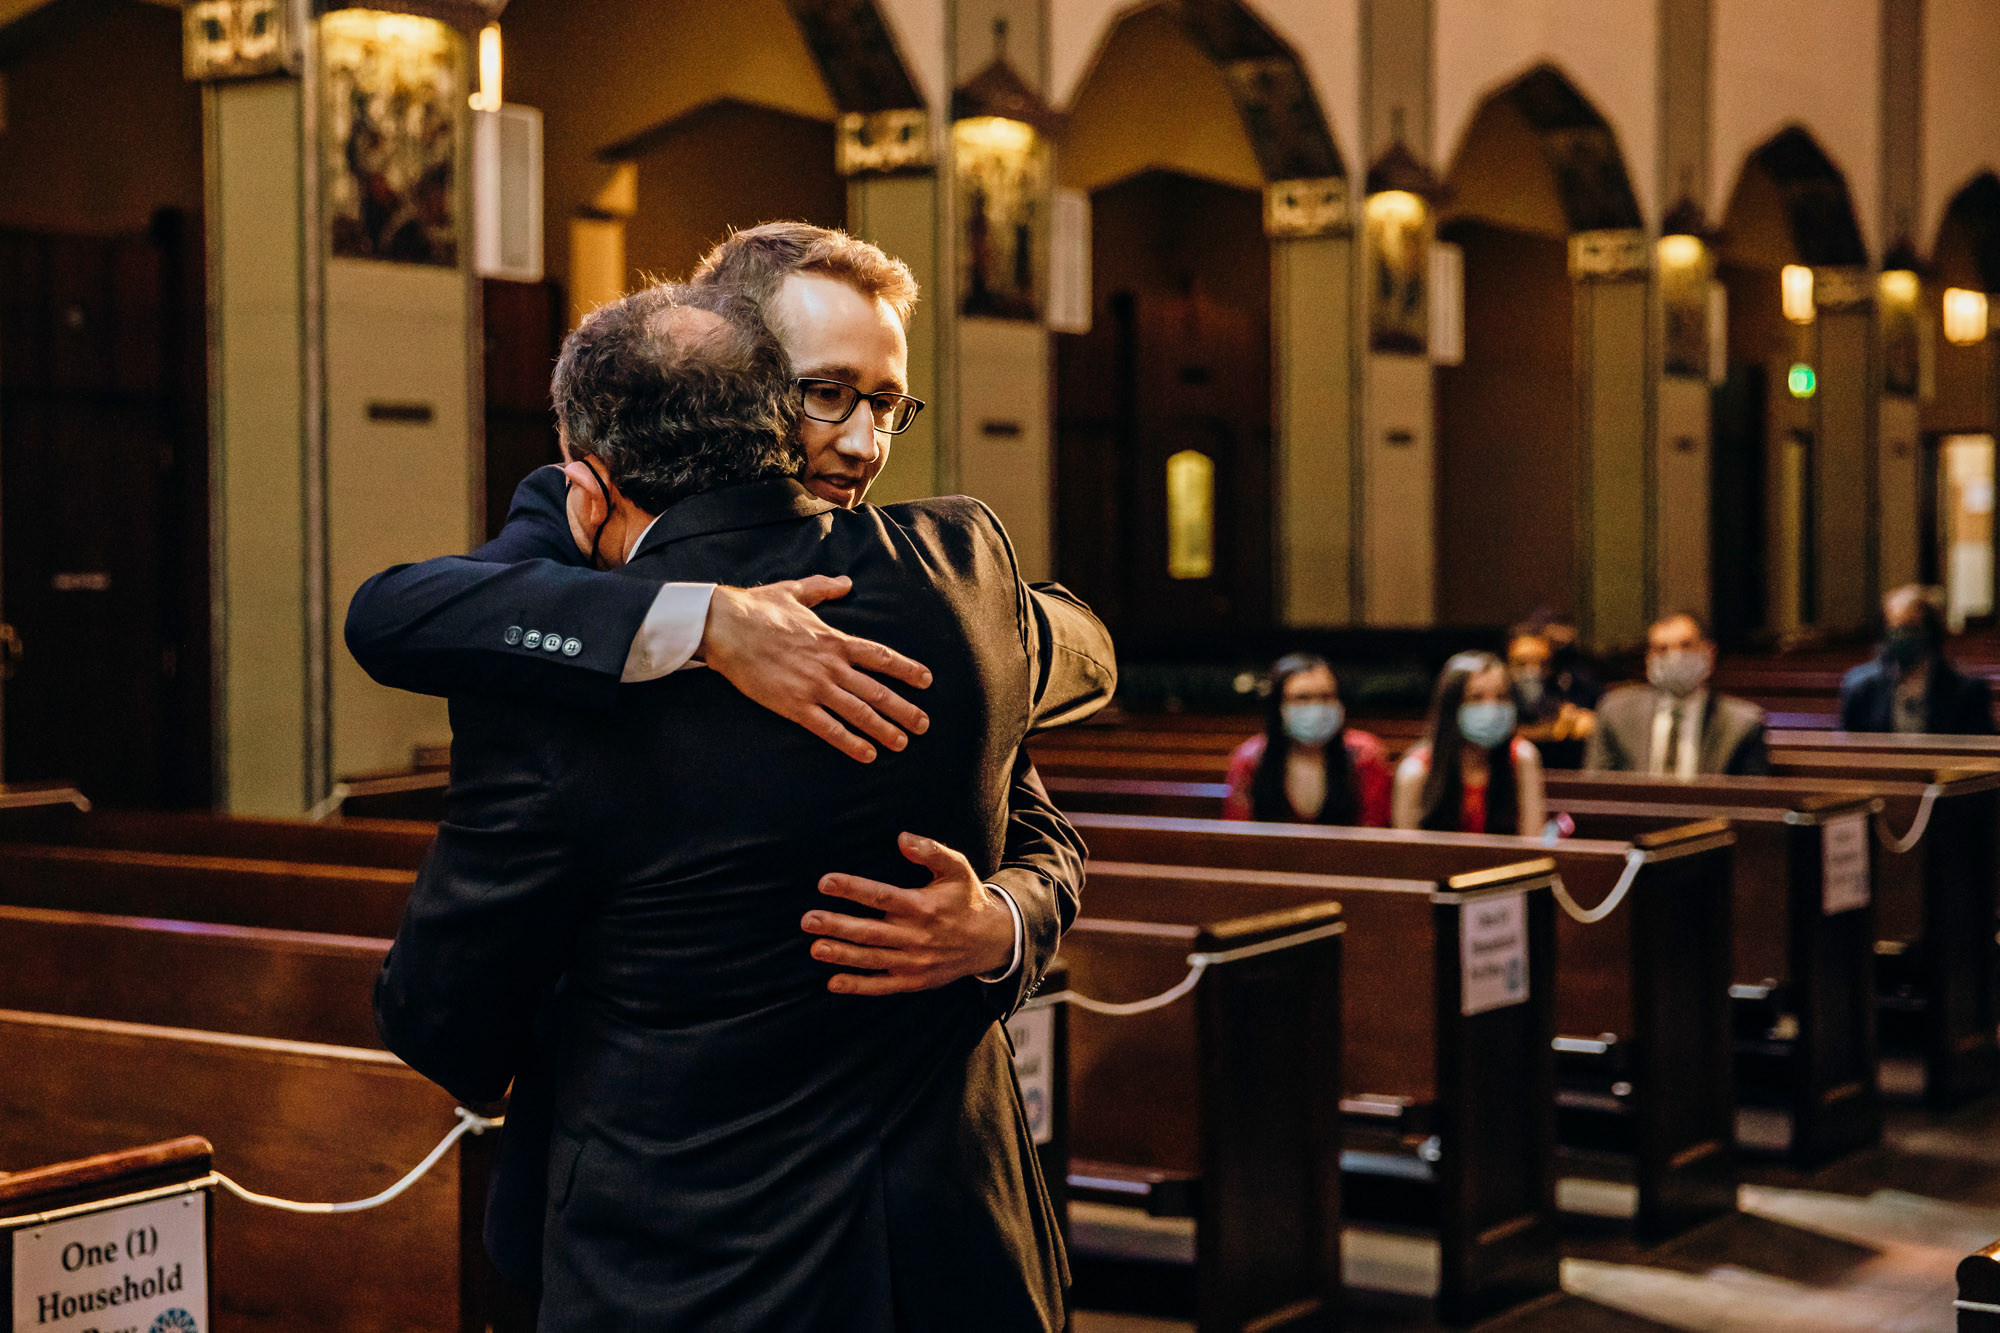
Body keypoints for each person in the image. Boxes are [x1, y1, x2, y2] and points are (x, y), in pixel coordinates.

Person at [348, 225, 1112, 1297]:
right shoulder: (952, 573)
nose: (860, 442)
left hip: (717, 1253)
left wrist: (1007, 922)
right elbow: (397, 613)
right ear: (738, 378)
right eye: (824, 394)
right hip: (875, 1249)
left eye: (886, 404)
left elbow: (1058, 736)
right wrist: (697, 618)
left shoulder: (937, 581)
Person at [1585, 611, 1769, 776]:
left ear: (1709, 653)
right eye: (1662, 649)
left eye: (1686, 645)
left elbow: (1751, 803)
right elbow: (1597, 789)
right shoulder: (1616, 713)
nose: (1674, 657)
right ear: (1649, 658)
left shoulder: (1743, 723)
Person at [1222, 653, 1392, 825]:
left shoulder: (1365, 757)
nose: (1316, 708)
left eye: (1326, 697)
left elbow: (1373, 833)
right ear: (1279, 706)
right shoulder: (1250, 761)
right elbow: (1238, 835)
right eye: (1302, 698)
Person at [1392, 651, 1547, 836]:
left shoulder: (1522, 758)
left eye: (1501, 697)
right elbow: (1406, 855)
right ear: (1452, 707)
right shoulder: (1415, 772)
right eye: (1476, 697)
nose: (1491, 709)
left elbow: (1533, 842)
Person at [1839, 584, 1996, 734]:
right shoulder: (1862, 687)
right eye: (1894, 629)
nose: (1901, 636)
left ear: (1931, 632)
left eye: (1911, 627)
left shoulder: (1967, 690)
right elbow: (1848, 748)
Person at [1507, 623, 1596, 770]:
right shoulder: (1498, 695)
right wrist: (1555, 732)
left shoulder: (1562, 687)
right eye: (1521, 663)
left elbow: (1588, 721)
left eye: (1541, 663)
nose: (1532, 671)